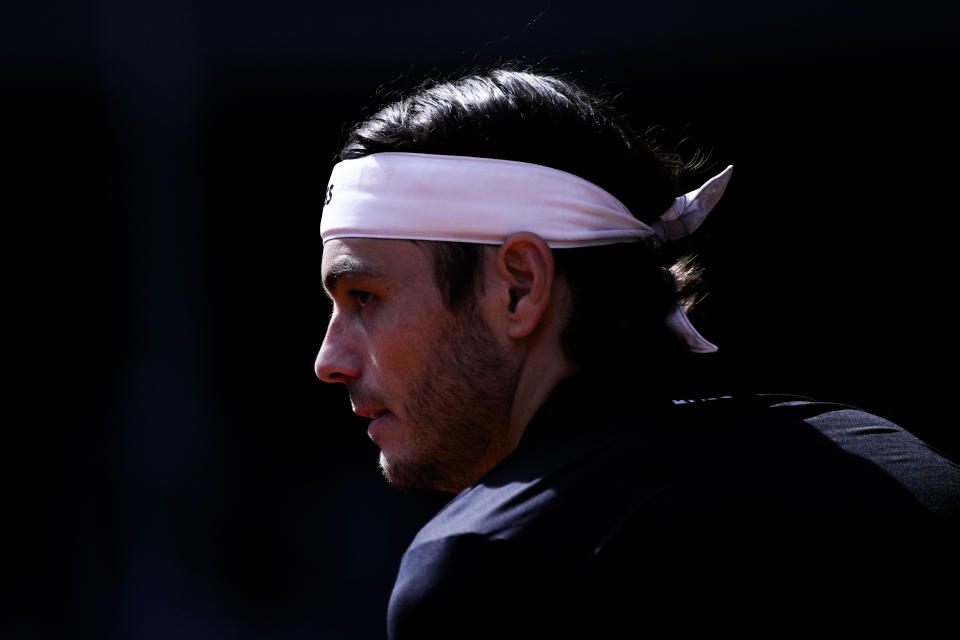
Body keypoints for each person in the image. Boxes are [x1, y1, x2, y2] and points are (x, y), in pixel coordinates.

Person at [314, 67, 960, 638]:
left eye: (364, 295)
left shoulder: (498, 560)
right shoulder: (898, 462)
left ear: (519, 286)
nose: (329, 359)